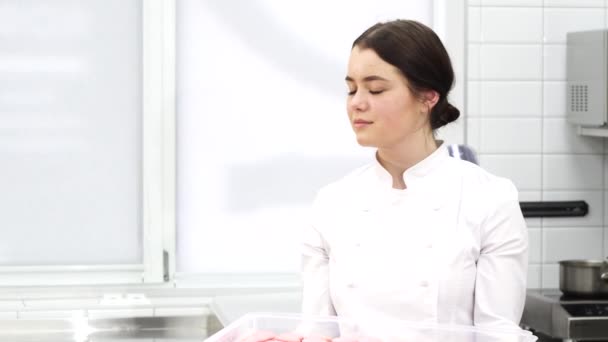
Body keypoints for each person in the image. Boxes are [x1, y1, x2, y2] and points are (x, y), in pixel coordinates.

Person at [300, 19, 528, 329]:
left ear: (427, 97)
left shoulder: (489, 199)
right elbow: (317, 331)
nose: (357, 103)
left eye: (376, 89)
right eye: (351, 89)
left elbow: (497, 333)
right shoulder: (331, 204)